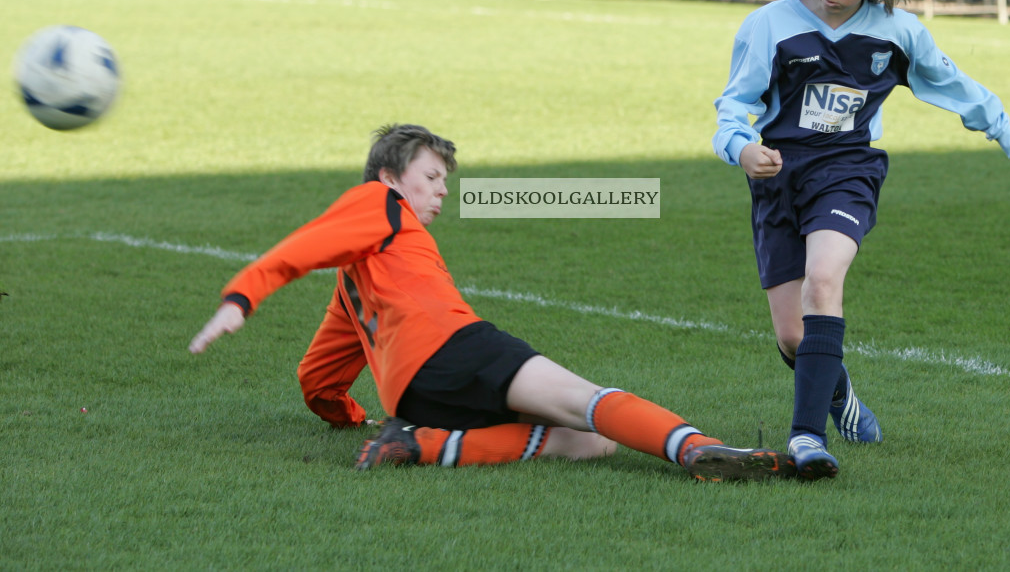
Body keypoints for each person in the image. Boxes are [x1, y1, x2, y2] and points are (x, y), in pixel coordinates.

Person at [190, 124, 796, 482]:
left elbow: (317, 377)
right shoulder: (377, 205)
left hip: (415, 396)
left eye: (445, 183)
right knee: (588, 402)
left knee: (591, 443)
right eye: (430, 178)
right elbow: (303, 245)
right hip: (458, 349)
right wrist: (241, 299)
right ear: (388, 178)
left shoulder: (356, 284)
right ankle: (701, 450)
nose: (441, 193)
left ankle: (418, 443)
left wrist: (347, 416)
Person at [712, 0, 1010, 481]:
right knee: (793, 335)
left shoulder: (897, 31)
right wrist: (742, 147)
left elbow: (953, 85)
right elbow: (734, 107)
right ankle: (839, 392)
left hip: (848, 171)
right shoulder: (768, 25)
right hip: (777, 176)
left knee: (824, 281)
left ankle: (806, 439)